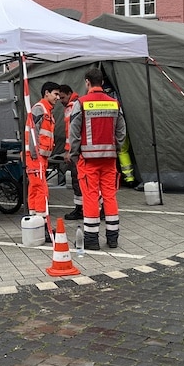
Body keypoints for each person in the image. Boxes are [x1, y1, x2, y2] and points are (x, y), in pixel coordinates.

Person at [69, 68, 126, 251]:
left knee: (91, 198)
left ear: (87, 82)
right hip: (109, 159)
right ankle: (113, 238)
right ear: (101, 82)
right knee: (109, 196)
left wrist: (74, 154)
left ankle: (92, 240)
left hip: (88, 160)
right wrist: (114, 148)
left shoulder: (81, 103)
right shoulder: (114, 103)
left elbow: (74, 132)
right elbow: (121, 132)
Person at [25, 81, 60, 241]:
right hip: (36, 157)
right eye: (56, 94)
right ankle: (43, 226)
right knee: (41, 191)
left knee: (35, 189)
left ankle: (35, 222)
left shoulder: (46, 110)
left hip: (38, 156)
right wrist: (34, 154)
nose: (58, 97)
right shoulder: (40, 109)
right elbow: (33, 132)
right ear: (46, 93)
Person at [57, 83, 83, 220]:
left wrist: (68, 151)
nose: (60, 100)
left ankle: (80, 209)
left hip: (76, 152)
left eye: (62, 97)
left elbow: (70, 132)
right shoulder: (78, 103)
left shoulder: (71, 107)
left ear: (69, 94)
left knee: (77, 180)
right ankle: (100, 208)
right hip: (83, 150)